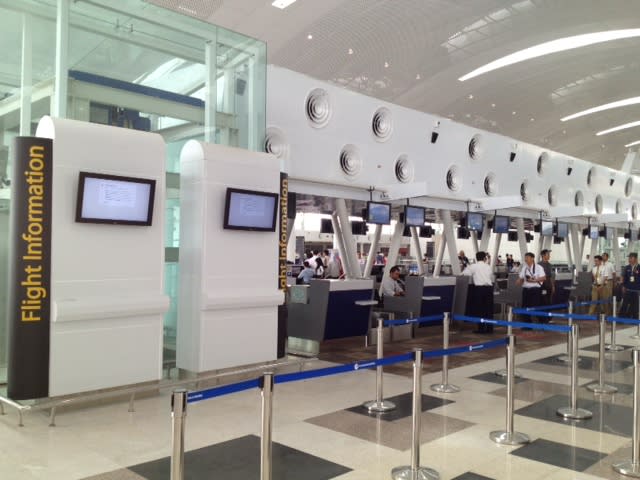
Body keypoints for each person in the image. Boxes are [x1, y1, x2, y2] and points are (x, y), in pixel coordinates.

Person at [462, 251, 494, 333]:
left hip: (479, 290)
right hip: (489, 289)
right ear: (484, 258)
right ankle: (490, 329)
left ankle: (481, 328)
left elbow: (465, 274)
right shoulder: (488, 266)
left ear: (476, 258)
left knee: (480, 310)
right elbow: (490, 276)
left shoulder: (473, 266)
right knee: (489, 309)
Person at [516, 252, 546, 322]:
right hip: (526, 290)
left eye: (527, 258)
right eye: (525, 258)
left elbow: (544, 278)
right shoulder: (524, 268)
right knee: (525, 306)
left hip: (535, 290)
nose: (526, 259)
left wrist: (535, 280)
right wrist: (518, 281)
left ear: (532, 258)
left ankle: (543, 320)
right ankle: (527, 323)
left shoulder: (539, 267)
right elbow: (521, 278)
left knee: (536, 306)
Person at [620, 253, 640, 318]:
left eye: (631, 258)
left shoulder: (639, 267)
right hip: (628, 289)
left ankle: (634, 318)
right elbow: (624, 277)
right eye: (629, 258)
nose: (629, 259)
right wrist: (623, 286)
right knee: (624, 304)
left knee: (635, 305)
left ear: (636, 259)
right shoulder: (627, 267)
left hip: (637, 290)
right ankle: (621, 318)